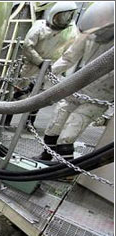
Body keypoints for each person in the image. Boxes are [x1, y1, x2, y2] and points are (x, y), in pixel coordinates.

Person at [37, 1, 114, 161]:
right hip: (78, 86)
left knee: (69, 133)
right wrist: (47, 73)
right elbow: (69, 57)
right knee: (55, 123)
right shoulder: (89, 35)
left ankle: (66, 170)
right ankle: (45, 157)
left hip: (100, 96)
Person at [4, 2, 79, 127]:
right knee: (19, 94)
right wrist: (39, 62)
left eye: (69, 16)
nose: (65, 19)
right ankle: (7, 121)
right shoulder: (40, 27)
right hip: (32, 67)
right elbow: (28, 46)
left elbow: (69, 52)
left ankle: (29, 122)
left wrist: (60, 68)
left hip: (51, 69)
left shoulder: (71, 31)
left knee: (41, 98)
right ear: (54, 15)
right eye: (62, 16)